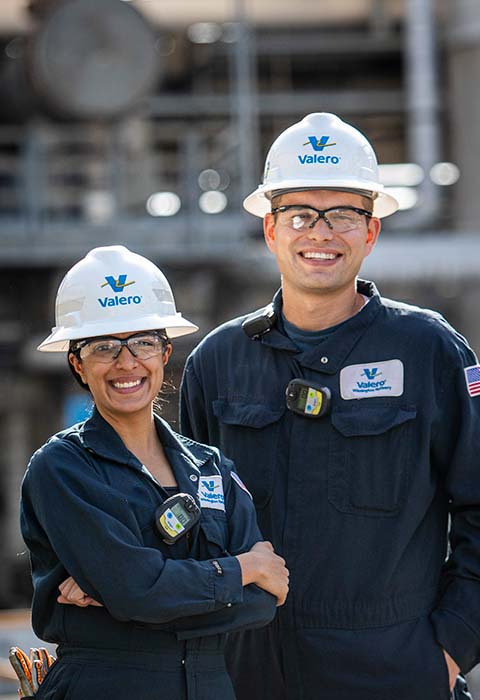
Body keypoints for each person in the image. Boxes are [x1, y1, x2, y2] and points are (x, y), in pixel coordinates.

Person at [180, 112, 480, 700]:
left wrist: (450, 646)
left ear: (371, 232)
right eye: (300, 215)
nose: (321, 233)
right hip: (247, 672)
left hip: (394, 670)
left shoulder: (428, 351)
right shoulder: (217, 362)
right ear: (271, 230)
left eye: (343, 214)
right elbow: (192, 520)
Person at [20, 245, 289, 700]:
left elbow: (262, 603)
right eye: (103, 346)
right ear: (77, 363)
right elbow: (137, 591)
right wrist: (242, 569)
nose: (126, 362)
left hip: (209, 685)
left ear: (165, 353)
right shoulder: (63, 468)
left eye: (142, 342)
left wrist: (135, 595)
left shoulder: (211, 467)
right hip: (106, 683)